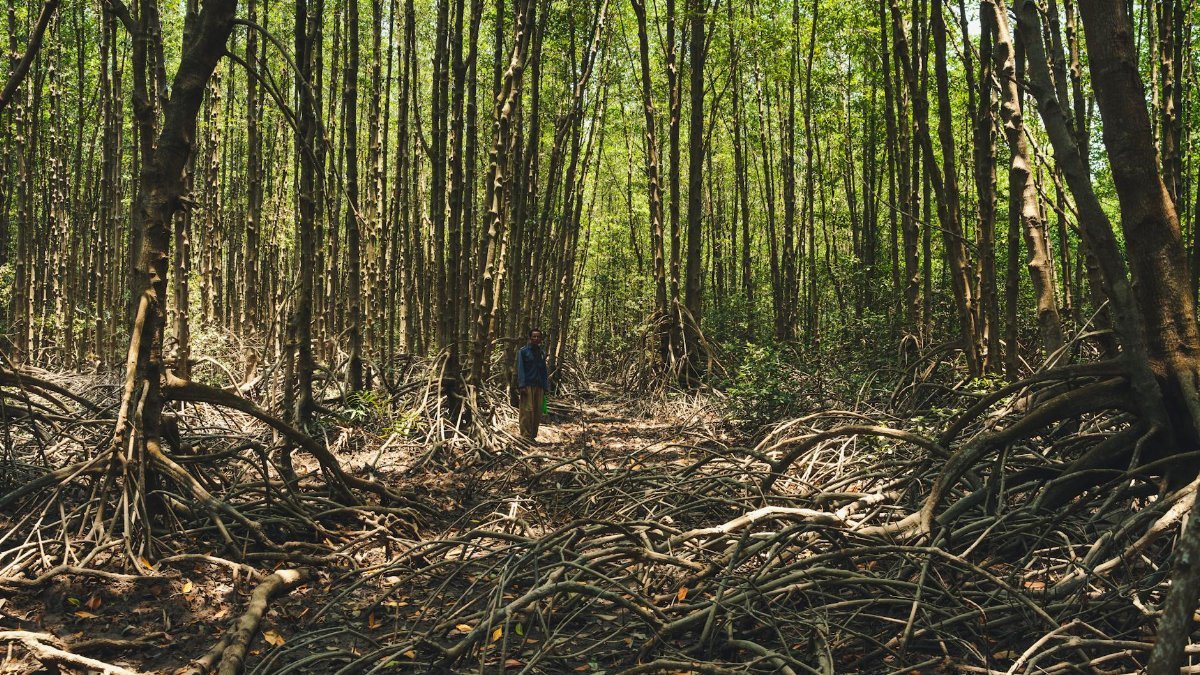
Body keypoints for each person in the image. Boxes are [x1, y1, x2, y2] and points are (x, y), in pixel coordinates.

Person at [516, 328, 549, 440]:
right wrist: (522, 385)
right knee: (527, 411)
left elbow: (544, 370)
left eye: (538, 337)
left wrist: (545, 386)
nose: (536, 338)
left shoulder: (541, 352)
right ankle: (525, 435)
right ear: (530, 338)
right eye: (533, 336)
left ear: (540, 339)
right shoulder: (523, 351)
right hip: (527, 385)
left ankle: (533, 436)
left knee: (538, 411)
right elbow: (520, 369)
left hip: (539, 386)